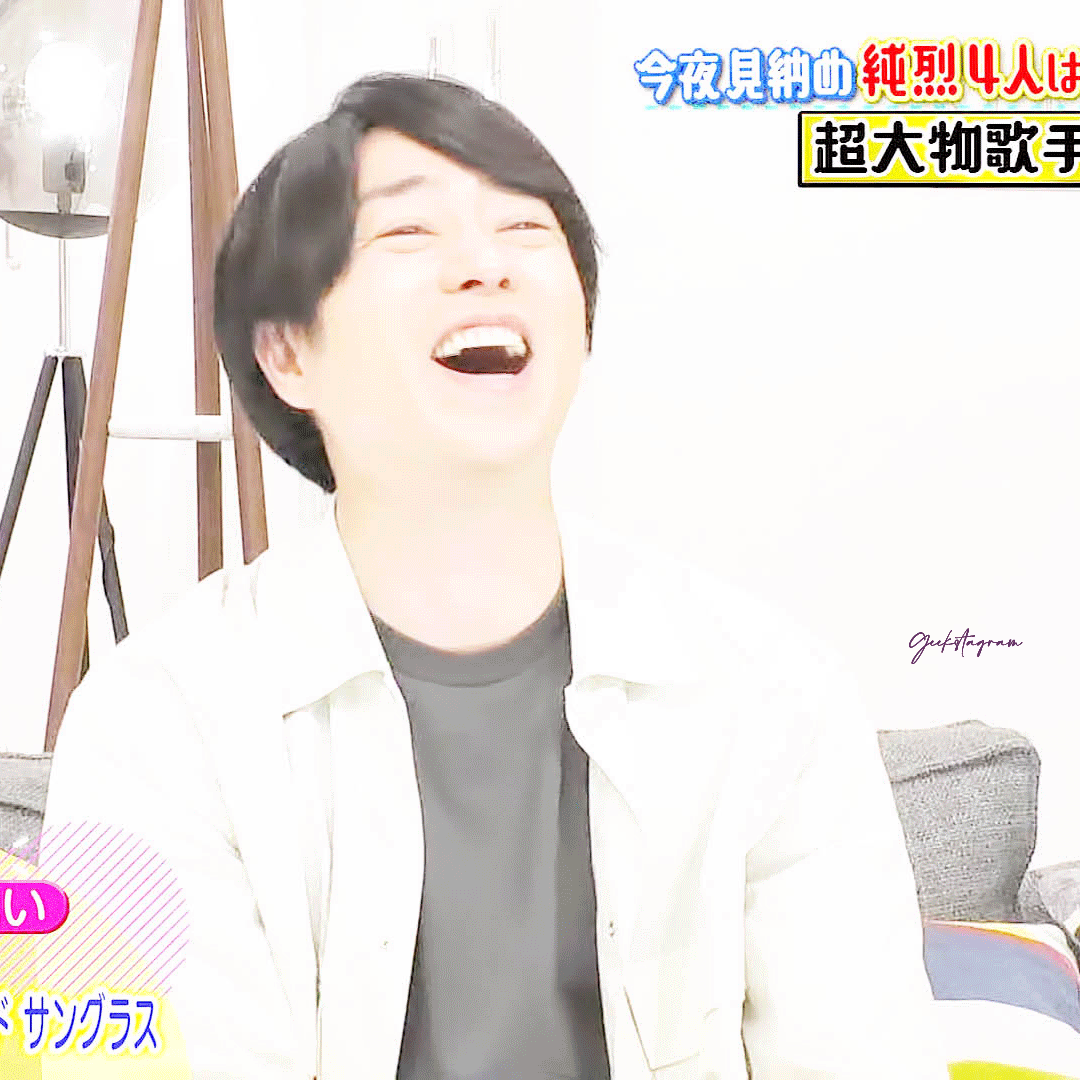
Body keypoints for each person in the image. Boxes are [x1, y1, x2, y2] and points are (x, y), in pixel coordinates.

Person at [42, 73, 947, 1079]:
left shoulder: (774, 693)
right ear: (289, 352)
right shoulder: (152, 727)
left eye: (525, 229)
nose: (486, 266)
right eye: (407, 234)